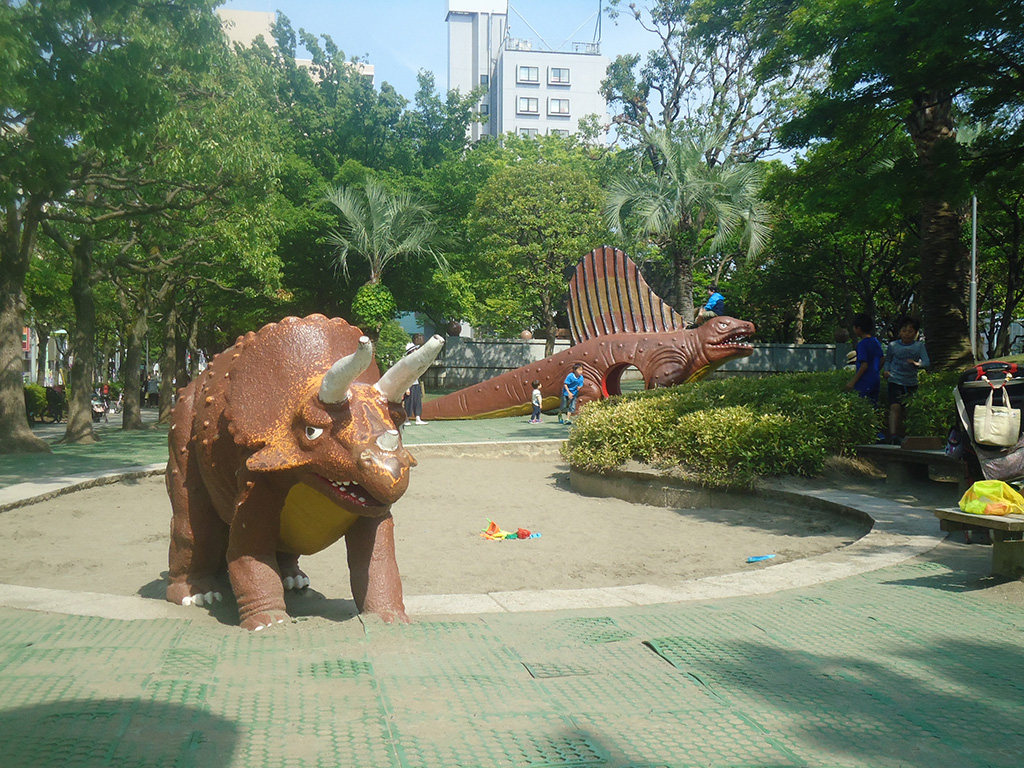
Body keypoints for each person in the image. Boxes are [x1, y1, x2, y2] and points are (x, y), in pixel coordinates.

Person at [882, 316, 930, 445]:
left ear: (915, 333)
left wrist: (916, 364)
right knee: (895, 407)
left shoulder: (919, 346)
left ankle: (910, 435)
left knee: (911, 409)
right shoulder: (893, 345)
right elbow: (888, 361)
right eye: (904, 331)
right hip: (895, 380)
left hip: (911, 382)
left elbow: (926, 362)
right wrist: (886, 372)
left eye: (910, 331)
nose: (907, 334)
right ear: (899, 332)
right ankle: (893, 435)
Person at [844, 312, 884, 406]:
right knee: (874, 407)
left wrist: (852, 382)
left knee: (862, 407)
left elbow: (864, 365)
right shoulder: (875, 341)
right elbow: (882, 359)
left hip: (864, 382)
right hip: (875, 381)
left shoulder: (862, 344)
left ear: (858, 328)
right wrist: (874, 371)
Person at [403, 334, 428, 425]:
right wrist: (406, 388)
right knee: (408, 402)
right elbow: (405, 375)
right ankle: (406, 419)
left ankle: (418, 418)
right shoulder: (407, 362)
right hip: (409, 385)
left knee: (417, 401)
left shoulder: (415, 361)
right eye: (414, 350)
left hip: (416, 384)